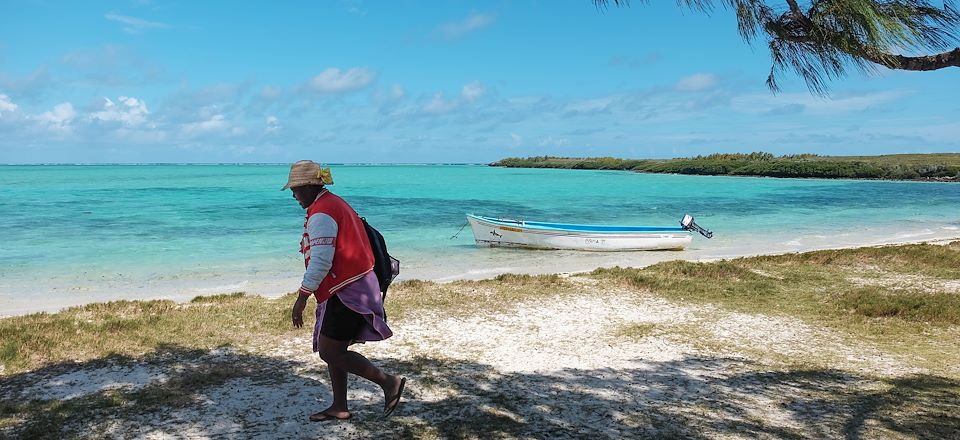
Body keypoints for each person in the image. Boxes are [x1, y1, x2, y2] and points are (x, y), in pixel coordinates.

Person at [283, 160, 405, 422]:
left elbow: (321, 261)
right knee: (334, 348)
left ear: (309, 186)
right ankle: (340, 406)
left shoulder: (322, 213)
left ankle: (389, 383)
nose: (293, 195)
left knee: (330, 351)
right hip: (352, 285)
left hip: (347, 289)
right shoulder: (331, 203)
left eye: (296, 189)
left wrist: (301, 297)